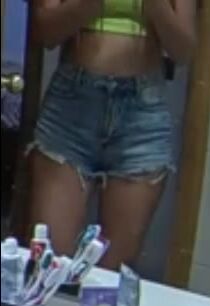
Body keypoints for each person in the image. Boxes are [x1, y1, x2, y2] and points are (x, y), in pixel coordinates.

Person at [29, 0, 196, 270]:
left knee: (110, 278)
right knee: (48, 265)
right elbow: (45, 32)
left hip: (141, 116)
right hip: (72, 108)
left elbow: (183, 50)